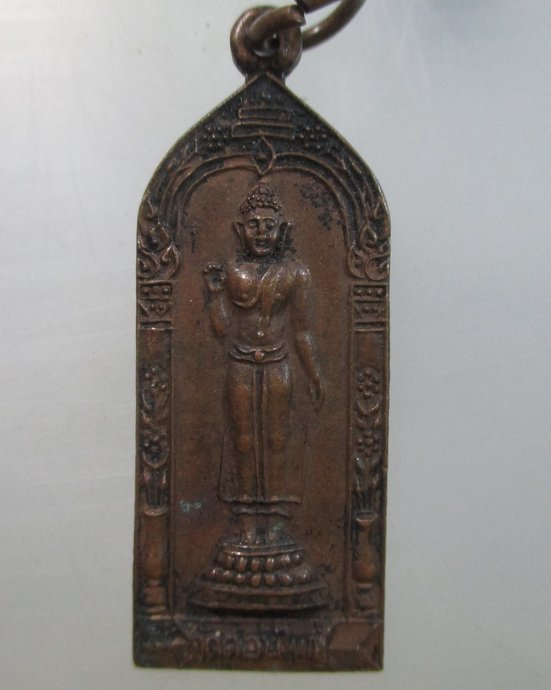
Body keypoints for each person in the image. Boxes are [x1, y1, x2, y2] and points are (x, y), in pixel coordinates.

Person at [203, 184, 324, 542]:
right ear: (239, 230)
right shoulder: (233, 270)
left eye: (269, 226)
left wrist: (315, 374)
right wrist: (214, 295)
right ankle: (245, 522)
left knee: (277, 438)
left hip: (277, 363)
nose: (261, 233)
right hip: (240, 363)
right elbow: (222, 329)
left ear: (282, 229)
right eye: (253, 224)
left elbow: (302, 331)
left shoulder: (295, 273)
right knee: (242, 440)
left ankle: (275, 522)